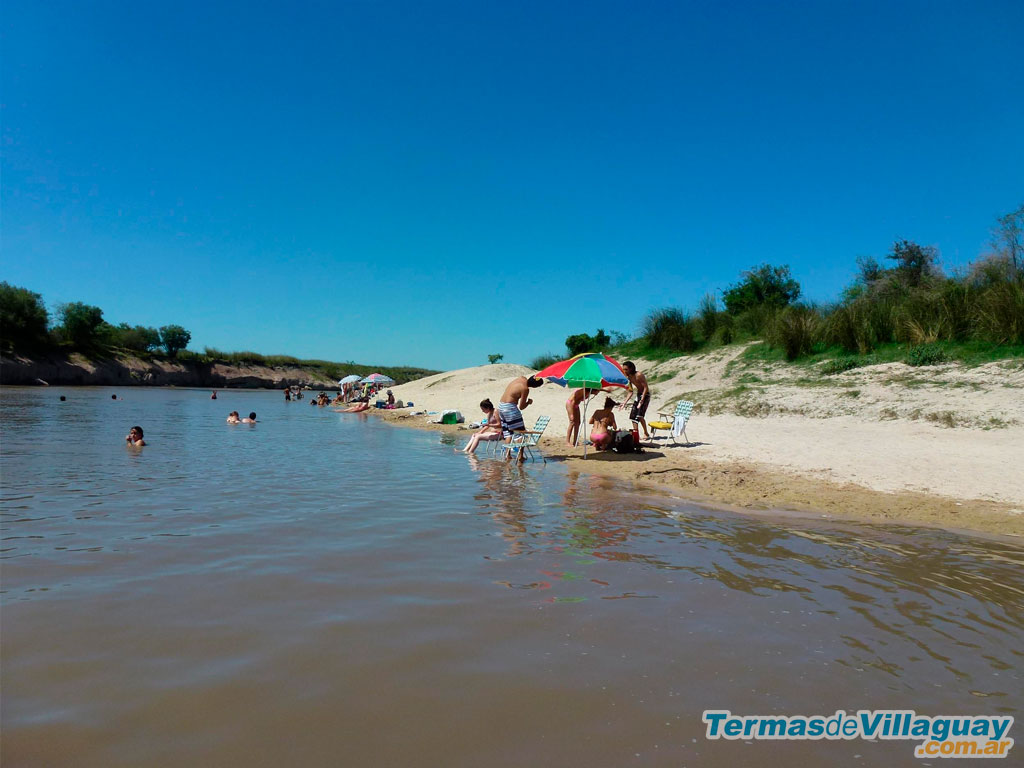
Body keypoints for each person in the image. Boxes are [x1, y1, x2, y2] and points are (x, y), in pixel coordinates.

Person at [498, 375, 542, 441]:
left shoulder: (521, 378)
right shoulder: (525, 389)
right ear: (534, 386)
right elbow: (522, 407)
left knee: (508, 433)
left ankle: (507, 451)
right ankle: (520, 451)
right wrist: (528, 402)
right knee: (520, 433)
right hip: (510, 408)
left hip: (501, 406)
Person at [620, 361, 650, 440]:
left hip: (645, 395)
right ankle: (636, 435)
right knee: (633, 416)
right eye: (623, 369)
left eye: (626, 369)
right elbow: (630, 391)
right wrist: (624, 403)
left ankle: (646, 433)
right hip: (638, 395)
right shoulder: (629, 377)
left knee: (639, 416)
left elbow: (645, 388)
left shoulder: (639, 375)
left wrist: (642, 400)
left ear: (631, 368)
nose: (624, 371)